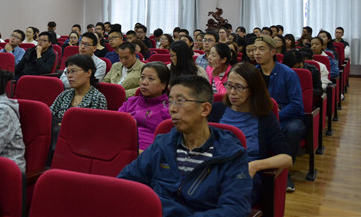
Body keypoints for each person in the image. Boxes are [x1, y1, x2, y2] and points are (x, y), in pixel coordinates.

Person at [118, 75, 252, 216]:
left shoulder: (231, 154)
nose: (172, 109)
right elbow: (126, 183)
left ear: (205, 109)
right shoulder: (163, 145)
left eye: (180, 101)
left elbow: (235, 209)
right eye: (170, 102)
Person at [209, 62, 293, 204]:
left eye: (239, 87)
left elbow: (286, 158)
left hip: (243, 177)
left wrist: (255, 165)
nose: (232, 92)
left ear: (253, 89)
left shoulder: (265, 117)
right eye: (229, 85)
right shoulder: (216, 110)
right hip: (212, 171)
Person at [253, 35, 304, 192]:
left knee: (293, 130)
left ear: (273, 51)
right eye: (255, 49)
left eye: (261, 49)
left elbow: (296, 105)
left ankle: (284, 172)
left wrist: (276, 116)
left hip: (286, 116)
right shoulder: (253, 73)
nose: (257, 53)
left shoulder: (288, 73)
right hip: (262, 115)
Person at [118, 62, 171, 151]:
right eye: (142, 77)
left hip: (147, 153)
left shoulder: (169, 110)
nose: (144, 82)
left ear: (163, 85)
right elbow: (116, 125)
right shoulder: (131, 102)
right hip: (120, 147)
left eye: (151, 79)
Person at [50, 54, 107, 121]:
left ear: (88, 72)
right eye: (68, 72)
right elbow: (49, 116)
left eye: (73, 71)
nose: (69, 76)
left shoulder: (98, 98)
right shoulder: (64, 95)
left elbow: (96, 125)